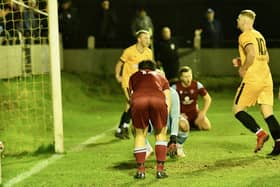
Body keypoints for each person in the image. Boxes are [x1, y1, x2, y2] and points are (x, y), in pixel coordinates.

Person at [232, 9, 280, 156]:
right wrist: (241, 60)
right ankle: (279, 143)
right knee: (267, 112)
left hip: (253, 78)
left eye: (239, 20)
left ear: (245, 21)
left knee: (238, 109)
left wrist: (243, 68)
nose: (237, 22)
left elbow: (252, 53)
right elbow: (264, 57)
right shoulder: (259, 35)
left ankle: (260, 134)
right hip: (266, 77)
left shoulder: (244, 35)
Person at [129, 60, 170, 179]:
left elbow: (131, 95)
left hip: (139, 100)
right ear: (154, 69)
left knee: (140, 134)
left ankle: (141, 171)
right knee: (160, 133)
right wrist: (165, 116)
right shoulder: (160, 76)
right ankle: (160, 170)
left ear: (139, 68)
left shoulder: (133, 76)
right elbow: (167, 97)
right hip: (158, 100)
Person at [115, 30, 153, 139]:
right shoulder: (129, 51)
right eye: (145, 38)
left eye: (148, 38)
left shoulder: (148, 52)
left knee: (130, 105)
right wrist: (118, 75)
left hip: (140, 84)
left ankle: (121, 129)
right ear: (139, 39)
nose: (147, 40)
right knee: (133, 104)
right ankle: (124, 127)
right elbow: (119, 64)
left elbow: (149, 67)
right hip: (128, 82)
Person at [172, 66, 212, 130]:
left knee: (207, 126)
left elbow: (208, 99)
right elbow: (169, 103)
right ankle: (187, 125)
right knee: (183, 127)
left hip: (194, 114)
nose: (188, 79)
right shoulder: (175, 87)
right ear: (181, 77)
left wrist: (203, 112)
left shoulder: (197, 85)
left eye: (190, 76)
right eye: (186, 77)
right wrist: (178, 114)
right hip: (182, 115)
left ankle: (193, 125)